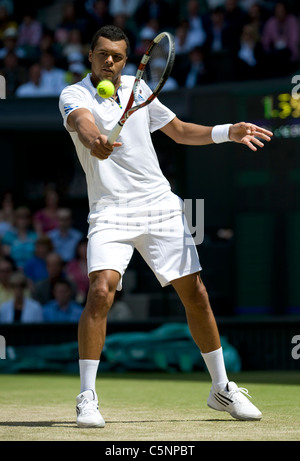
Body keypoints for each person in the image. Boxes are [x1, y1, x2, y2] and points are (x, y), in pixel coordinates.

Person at [59, 24, 273, 428]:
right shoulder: (74, 94)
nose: (109, 61)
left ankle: (222, 388)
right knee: (101, 291)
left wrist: (229, 131)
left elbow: (178, 132)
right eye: (102, 54)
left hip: (159, 205)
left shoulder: (140, 91)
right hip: (109, 211)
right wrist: (94, 142)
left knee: (196, 294)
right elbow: (82, 123)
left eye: (117, 56)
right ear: (90, 56)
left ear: (126, 61)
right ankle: (87, 396)